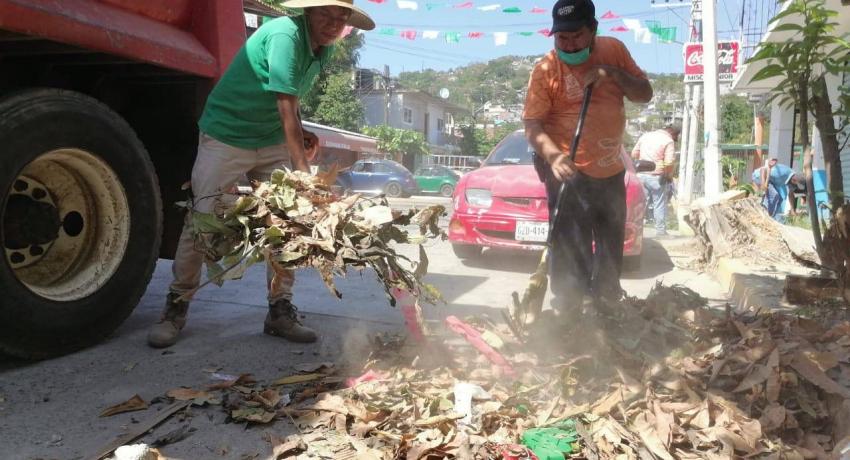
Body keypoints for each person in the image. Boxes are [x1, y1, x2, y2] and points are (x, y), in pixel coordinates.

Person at [147, 0, 375, 348]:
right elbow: (285, 103)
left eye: (340, 17)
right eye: (325, 14)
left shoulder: (322, 49)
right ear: (308, 12)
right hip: (227, 135)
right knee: (204, 217)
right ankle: (176, 305)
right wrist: (305, 178)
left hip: (269, 140)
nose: (332, 24)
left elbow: (291, 104)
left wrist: (302, 132)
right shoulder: (285, 35)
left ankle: (279, 310)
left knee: (287, 222)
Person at [523, 0, 652, 320]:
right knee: (569, 255)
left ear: (593, 30)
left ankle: (606, 311)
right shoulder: (545, 70)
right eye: (561, 38)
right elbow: (532, 125)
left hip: (609, 172)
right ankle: (567, 317)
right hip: (567, 173)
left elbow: (644, 94)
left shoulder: (614, 50)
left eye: (576, 36)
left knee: (610, 249)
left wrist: (610, 74)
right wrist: (553, 156)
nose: (568, 45)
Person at [631, 124, 681, 237]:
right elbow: (669, 162)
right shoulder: (668, 140)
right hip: (657, 177)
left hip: (640, 176)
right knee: (659, 204)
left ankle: (635, 231)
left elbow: (634, 153)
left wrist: (644, 161)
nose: (675, 139)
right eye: (676, 136)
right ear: (672, 133)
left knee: (640, 204)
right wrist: (668, 175)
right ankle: (660, 231)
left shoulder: (645, 136)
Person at [751, 157, 800, 221]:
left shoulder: (792, 179)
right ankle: (765, 215)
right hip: (759, 176)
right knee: (774, 195)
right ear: (793, 180)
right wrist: (763, 183)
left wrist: (792, 210)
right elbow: (763, 170)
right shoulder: (782, 172)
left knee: (780, 199)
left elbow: (791, 194)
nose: (794, 188)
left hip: (770, 181)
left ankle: (774, 218)